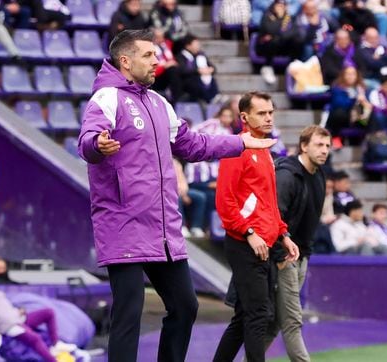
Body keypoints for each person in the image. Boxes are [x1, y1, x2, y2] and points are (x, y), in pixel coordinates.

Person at [76, 30, 275, 362]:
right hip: (123, 225)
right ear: (126, 61)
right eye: (149, 55)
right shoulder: (107, 98)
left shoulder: (159, 102)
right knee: (128, 313)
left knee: (185, 306)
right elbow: (87, 141)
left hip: (162, 227)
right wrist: (98, 145)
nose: (158, 61)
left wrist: (239, 143)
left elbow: (192, 145)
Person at [213, 91, 299, 362]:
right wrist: (249, 233)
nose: (268, 118)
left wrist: (283, 233)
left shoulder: (263, 150)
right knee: (259, 314)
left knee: (244, 317)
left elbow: (267, 202)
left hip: (265, 242)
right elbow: (224, 202)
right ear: (244, 117)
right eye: (262, 113)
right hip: (246, 243)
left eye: (271, 112)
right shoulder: (236, 149)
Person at [267, 125, 330, 361]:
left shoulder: (320, 174)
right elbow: (274, 216)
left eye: (327, 146)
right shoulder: (288, 175)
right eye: (319, 145)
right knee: (293, 320)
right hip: (285, 255)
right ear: (304, 146)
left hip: (302, 255)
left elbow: (311, 220)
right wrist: (281, 257)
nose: (324, 151)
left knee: (275, 323)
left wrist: (306, 254)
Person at [0, 268, 78, 361]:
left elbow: (6, 308)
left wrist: (18, 310)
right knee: (35, 338)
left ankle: (55, 344)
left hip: (19, 318)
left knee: (48, 313)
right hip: (10, 325)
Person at [185, 105, 236, 224]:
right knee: (209, 191)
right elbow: (194, 131)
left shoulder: (229, 131)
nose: (226, 119)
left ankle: (209, 226)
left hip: (213, 165)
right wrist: (200, 147)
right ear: (220, 115)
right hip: (200, 162)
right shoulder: (212, 123)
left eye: (229, 116)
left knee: (215, 195)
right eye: (224, 115)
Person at [256, 0, 305, 84]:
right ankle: (267, 67)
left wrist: (280, 36)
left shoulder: (289, 17)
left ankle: (292, 65)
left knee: (298, 40)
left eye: (283, 5)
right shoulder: (267, 16)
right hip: (266, 48)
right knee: (273, 41)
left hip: (283, 45)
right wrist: (280, 19)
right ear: (274, 5)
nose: (281, 7)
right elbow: (270, 30)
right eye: (278, 5)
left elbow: (295, 31)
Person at [327, 66, 372, 143]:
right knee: (339, 113)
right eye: (348, 74)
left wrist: (365, 102)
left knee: (372, 115)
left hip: (358, 119)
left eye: (353, 74)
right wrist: (355, 99)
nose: (350, 76)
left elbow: (369, 106)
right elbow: (339, 103)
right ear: (343, 75)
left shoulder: (362, 89)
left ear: (357, 76)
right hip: (344, 118)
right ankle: (335, 138)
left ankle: (372, 140)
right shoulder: (337, 88)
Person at [176, 34, 219, 103]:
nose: (198, 47)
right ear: (188, 46)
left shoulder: (200, 55)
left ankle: (214, 98)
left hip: (201, 78)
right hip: (188, 81)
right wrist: (197, 71)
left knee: (212, 80)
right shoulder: (181, 56)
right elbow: (182, 70)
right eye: (195, 45)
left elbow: (212, 67)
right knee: (195, 83)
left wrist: (211, 69)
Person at [174, 159, 207, 239]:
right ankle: (182, 226)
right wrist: (182, 194)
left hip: (183, 191)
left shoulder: (176, 163)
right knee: (177, 198)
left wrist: (184, 193)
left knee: (200, 197)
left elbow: (183, 180)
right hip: (172, 192)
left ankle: (196, 227)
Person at [151, 28, 183, 104]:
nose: (161, 39)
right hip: (156, 77)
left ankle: (177, 97)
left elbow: (172, 60)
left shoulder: (167, 44)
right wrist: (165, 66)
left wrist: (171, 63)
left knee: (177, 69)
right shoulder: (149, 49)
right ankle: (175, 98)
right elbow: (151, 69)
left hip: (169, 74)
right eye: (158, 37)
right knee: (172, 70)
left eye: (162, 37)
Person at [313, 178, 337, 254]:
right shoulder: (314, 196)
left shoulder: (330, 197)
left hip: (325, 223)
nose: (329, 190)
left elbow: (330, 213)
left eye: (331, 188)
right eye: (327, 187)